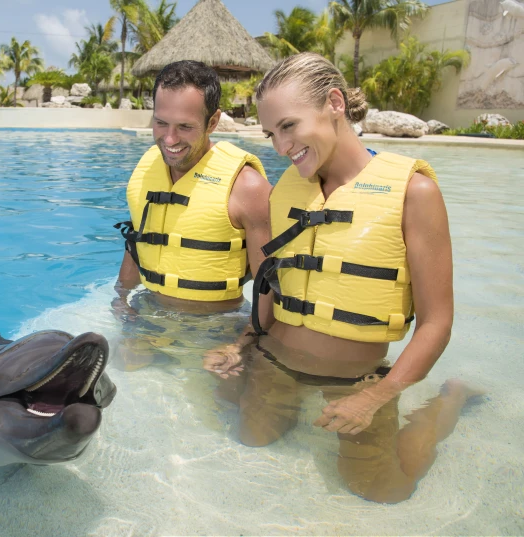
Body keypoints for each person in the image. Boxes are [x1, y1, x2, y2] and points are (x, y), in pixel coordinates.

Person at [203, 52, 483, 503]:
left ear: (335, 103)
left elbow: (437, 323)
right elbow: (276, 286)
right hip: (277, 359)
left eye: (289, 126)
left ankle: (451, 400)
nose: (280, 146)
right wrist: (239, 345)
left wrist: (379, 395)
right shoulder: (287, 191)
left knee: (381, 490)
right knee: (249, 439)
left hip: (356, 379)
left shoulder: (415, 192)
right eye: (271, 133)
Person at [112, 60, 273, 370]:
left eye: (184, 127)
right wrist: (121, 299)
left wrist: (242, 343)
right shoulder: (146, 170)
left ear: (212, 122)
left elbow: (273, 288)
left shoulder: (248, 188)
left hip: (219, 326)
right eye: (161, 123)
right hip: (149, 314)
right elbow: (138, 241)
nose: (169, 139)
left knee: (225, 410)